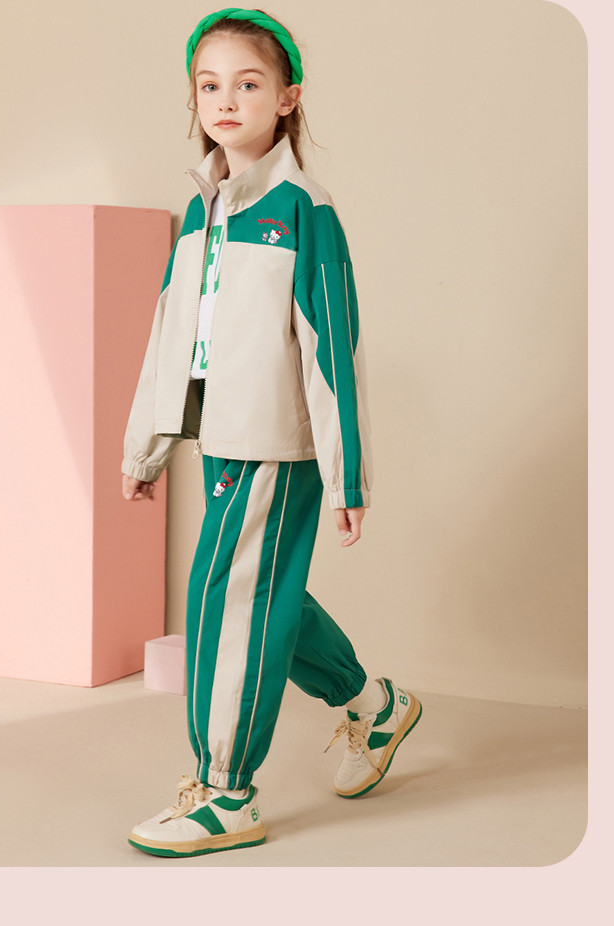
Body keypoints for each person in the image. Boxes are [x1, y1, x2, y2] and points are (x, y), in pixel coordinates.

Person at [121, 7, 422, 858]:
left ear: (287, 98)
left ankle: (226, 793)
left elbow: (334, 347)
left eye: (248, 84)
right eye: (209, 85)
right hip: (218, 437)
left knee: (228, 599)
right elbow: (169, 333)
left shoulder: (304, 209)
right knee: (262, 593)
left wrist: (348, 473)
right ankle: (375, 707)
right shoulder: (200, 211)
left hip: (278, 445)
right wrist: (146, 446)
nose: (226, 100)